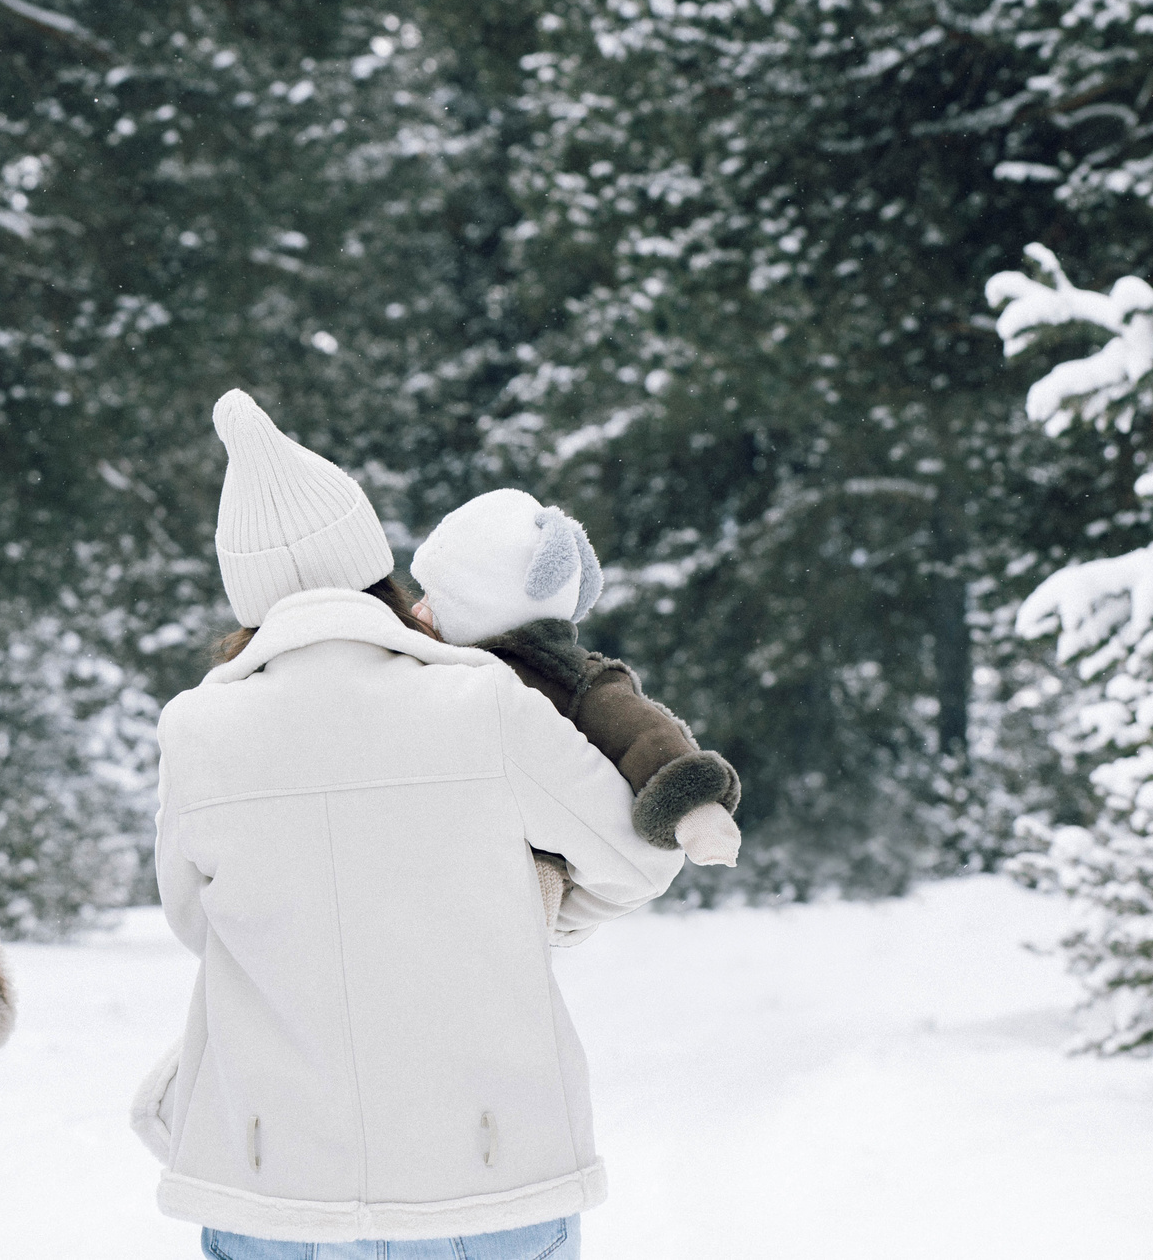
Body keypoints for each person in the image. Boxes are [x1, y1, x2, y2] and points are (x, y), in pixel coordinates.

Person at [132, 390, 684, 1258]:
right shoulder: (480, 699)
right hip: (490, 1179)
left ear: (248, 594)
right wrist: (532, 906)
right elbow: (641, 853)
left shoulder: (195, 732)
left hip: (277, 1191)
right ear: (374, 561)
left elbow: (199, 925)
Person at [410, 489, 744, 877]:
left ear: (484, 600)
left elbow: (638, 728)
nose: (417, 609)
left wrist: (693, 805)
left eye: (433, 598)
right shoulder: (434, 662)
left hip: (530, 845)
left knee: (534, 875)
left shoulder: (560, 674)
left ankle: (549, 880)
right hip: (453, 844)